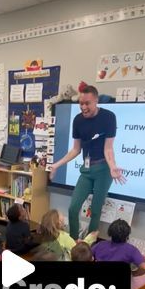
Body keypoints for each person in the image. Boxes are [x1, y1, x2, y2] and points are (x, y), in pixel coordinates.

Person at [50, 84, 126, 239]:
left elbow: (108, 149)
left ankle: (89, 247)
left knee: (96, 211)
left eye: (87, 103)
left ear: (96, 101)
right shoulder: (78, 120)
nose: (83, 107)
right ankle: (73, 244)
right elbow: (76, 149)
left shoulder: (108, 117)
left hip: (103, 170)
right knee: (73, 208)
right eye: (81, 104)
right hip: (86, 170)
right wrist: (56, 165)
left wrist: (112, 167)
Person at [92, 219, 145, 289]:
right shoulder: (131, 249)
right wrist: (133, 273)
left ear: (110, 233)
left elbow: (85, 256)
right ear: (127, 235)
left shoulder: (100, 244)